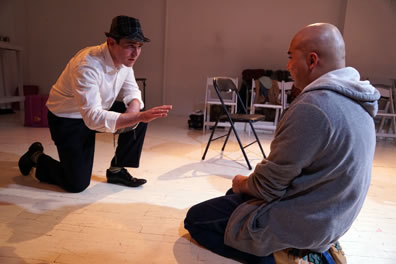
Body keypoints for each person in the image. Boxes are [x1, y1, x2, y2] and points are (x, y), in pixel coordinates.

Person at [184, 23, 380, 263]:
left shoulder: (314, 105)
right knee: (232, 200)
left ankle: (291, 255)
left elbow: (267, 187)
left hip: (308, 224)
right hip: (333, 217)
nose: (287, 67)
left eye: (290, 57)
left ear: (311, 60)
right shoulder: (359, 101)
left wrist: (242, 183)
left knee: (197, 219)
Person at [18, 15, 172, 193]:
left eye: (139, 47)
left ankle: (117, 169)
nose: (135, 53)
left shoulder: (125, 61)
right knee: (76, 184)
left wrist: (134, 113)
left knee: (140, 117)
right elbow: (92, 118)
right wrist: (135, 117)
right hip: (68, 118)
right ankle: (35, 156)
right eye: (130, 45)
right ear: (111, 42)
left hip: (96, 110)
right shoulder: (87, 65)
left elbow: (132, 92)